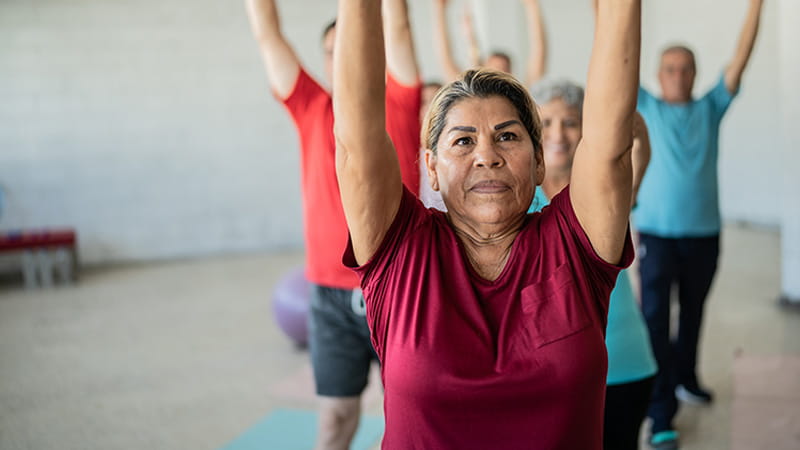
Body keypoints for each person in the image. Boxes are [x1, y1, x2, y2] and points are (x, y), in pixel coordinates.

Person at [333, 0, 640, 447]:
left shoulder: (575, 246)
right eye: (463, 140)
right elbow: (356, 144)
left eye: (508, 136)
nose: (487, 155)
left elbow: (611, 147)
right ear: (432, 168)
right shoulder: (400, 250)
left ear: (539, 163)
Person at [244, 0, 421, 448]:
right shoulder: (311, 106)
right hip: (329, 297)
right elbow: (267, 33)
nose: (343, 53)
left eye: (351, 42)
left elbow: (396, 23)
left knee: (412, 417)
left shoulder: (399, 98)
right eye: (332, 48)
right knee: (335, 420)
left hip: (399, 289)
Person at [633, 1, 764, 447]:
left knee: (692, 314)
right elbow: (618, 54)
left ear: (695, 72)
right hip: (655, 235)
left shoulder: (711, 107)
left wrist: (756, 7)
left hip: (704, 235)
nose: (678, 75)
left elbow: (741, 56)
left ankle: (686, 377)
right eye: (670, 68)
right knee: (654, 319)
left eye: (686, 68)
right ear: (658, 73)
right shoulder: (645, 105)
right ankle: (660, 409)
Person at [529, 79, 656, 450]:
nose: (558, 134)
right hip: (548, 373)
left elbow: (633, 164)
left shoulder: (603, 193)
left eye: (570, 121)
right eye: (546, 122)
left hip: (622, 364)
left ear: (587, 129)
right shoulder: (515, 200)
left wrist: (637, 137)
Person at [432, 0, 547, 84]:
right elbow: (445, 58)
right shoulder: (468, 95)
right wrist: (440, 9)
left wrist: (532, 6)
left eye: (503, 70)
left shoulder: (522, 98)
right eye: (492, 70)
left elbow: (539, 53)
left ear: (511, 74)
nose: (497, 75)